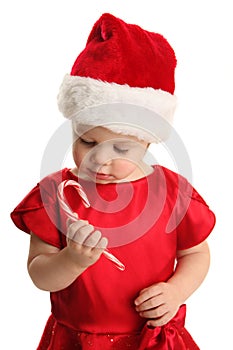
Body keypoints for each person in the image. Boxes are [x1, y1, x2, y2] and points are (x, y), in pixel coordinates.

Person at [10, 13, 215, 350]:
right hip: (79, 339)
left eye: (120, 148)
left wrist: (177, 291)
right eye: (87, 142)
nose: (99, 159)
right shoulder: (55, 196)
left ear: (148, 142)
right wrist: (72, 260)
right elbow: (39, 274)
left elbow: (196, 253)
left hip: (150, 339)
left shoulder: (170, 193)